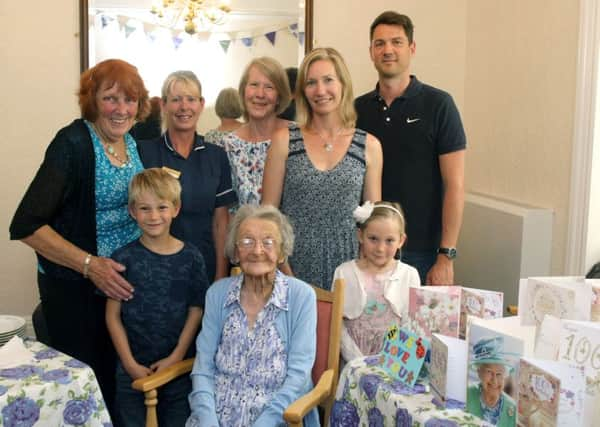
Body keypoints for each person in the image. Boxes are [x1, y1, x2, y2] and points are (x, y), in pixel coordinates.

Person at [9, 58, 150, 410]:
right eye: (111, 98)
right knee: (85, 386)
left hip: (117, 287)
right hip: (77, 290)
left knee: (117, 383)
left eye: (129, 100)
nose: (121, 109)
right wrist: (90, 265)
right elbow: (26, 224)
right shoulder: (71, 143)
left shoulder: (129, 142)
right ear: (92, 100)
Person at [355, 11, 466, 285]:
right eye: (379, 43)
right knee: (371, 328)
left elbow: (455, 184)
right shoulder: (356, 109)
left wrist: (446, 255)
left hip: (424, 253)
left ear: (412, 48)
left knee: (417, 330)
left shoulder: (440, 105)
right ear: (371, 51)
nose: (388, 50)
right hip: (370, 249)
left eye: (397, 42)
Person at [186, 205, 319, 426]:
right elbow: (203, 369)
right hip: (215, 417)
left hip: (276, 418)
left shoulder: (300, 296)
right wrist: (208, 421)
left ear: (281, 253)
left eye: (268, 242)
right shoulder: (218, 294)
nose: (257, 251)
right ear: (236, 252)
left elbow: (299, 376)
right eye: (247, 241)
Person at [262, 47, 382, 290]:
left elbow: (374, 224)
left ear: (343, 85)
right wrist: (286, 273)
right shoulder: (284, 140)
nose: (320, 90)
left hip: (350, 273)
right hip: (290, 269)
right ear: (303, 92)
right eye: (311, 83)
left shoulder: (369, 145)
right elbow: (268, 216)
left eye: (328, 80)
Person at [106, 168, 208, 427]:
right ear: (132, 212)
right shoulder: (122, 259)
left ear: (175, 208)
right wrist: (129, 364)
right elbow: (113, 317)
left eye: (161, 207)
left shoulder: (192, 257)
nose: (153, 216)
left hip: (177, 372)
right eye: (144, 208)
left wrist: (176, 357)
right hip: (132, 374)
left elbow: (195, 311)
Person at [137, 70, 237, 282]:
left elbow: (221, 223)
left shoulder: (216, 156)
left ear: (201, 104)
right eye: (175, 100)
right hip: (154, 268)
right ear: (163, 105)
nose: (184, 107)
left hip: (204, 266)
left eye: (191, 99)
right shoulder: (144, 153)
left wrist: (220, 276)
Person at [333, 201, 420, 363]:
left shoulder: (409, 275)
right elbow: (338, 325)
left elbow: (411, 325)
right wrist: (358, 361)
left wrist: (390, 359)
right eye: (373, 239)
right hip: (353, 361)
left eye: (389, 241)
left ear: (401, 241)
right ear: (360, 235)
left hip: (394, 361)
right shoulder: (344, 272)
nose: (380, 248)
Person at [213, 57, 291, 207]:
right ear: (243, 92)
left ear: (279, 97)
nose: (260, 94)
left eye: (269, 87)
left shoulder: (298, 136)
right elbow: (226, 209)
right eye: (254, 85)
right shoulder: (228, 146)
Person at [466, 337, 517, 426]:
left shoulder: (513, 408)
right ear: (479, 372)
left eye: (499, 374)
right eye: (489, 372)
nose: (494, 380)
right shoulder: (467, 393)